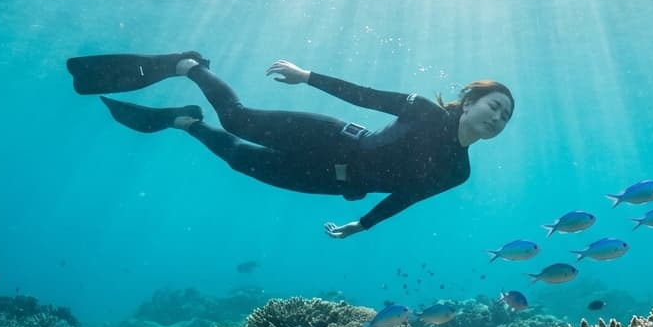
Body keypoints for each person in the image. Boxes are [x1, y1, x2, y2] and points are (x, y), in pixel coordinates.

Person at [66, 51, 513, 237]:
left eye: (505, 117)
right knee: (237, 121)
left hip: (325, 182)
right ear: (470, 101)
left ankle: (184, 123)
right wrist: (308, 77)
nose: (497, 118)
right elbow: (367, 96)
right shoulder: (426, 112)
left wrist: (365, 223)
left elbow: (408, 196)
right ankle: (189, 66)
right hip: (331, 139)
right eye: (494, 106)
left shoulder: (459, 172)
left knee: (240, 161)